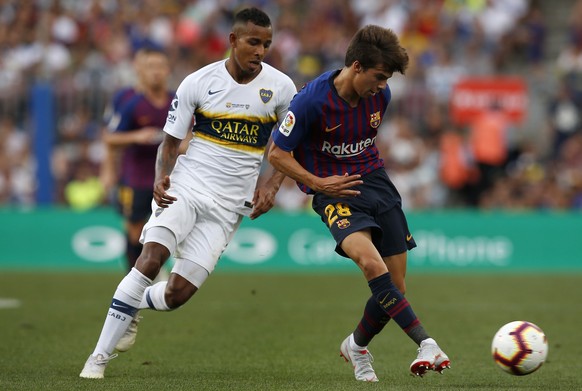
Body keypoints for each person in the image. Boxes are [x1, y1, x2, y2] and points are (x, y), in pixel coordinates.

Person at [79, 7, 297, 379]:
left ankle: (131, 304)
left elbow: (289, 145)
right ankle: (96, 360)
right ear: (233, 40)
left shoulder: (282, 88)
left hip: (230, 205)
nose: (260, 50)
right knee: (149, 260)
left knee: (175, 296)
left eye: (266, 44)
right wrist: (162, 177)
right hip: (188, 187)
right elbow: (170, 142)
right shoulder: (198, 81)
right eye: (253, 42)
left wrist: (272, 184)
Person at [268, 25, 450, 382]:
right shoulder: (310, 102)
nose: (383, 85)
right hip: (333, 193)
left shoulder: (380, 97)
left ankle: (356, 345)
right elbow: (277, 154)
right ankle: (425, 342)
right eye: (378, 77)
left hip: (377, 185)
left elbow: (361, 144)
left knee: (395, 287)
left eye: (387, 79)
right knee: (370, 262)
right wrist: (319, 184)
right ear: (355, 66)